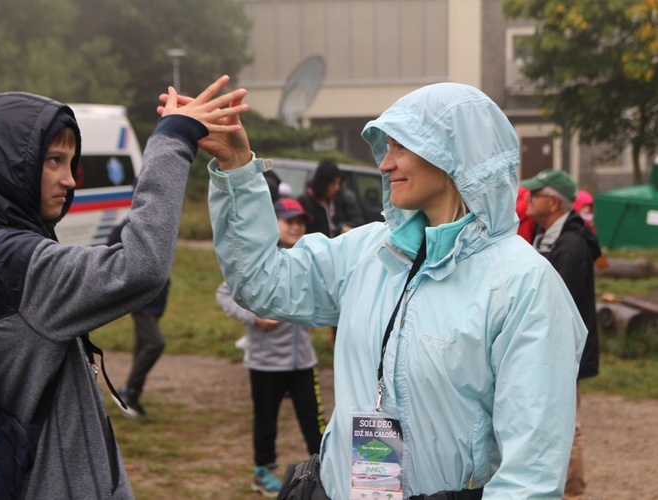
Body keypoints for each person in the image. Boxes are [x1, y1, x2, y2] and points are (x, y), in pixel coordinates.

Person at [196, 82, 586, 498]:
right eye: (386, 147)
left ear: (455, 155)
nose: (384, 164)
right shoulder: (368, 252)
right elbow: (261, 283)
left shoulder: (523, 286)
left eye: (401, 147)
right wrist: (238, 169)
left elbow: (531, 476)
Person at [0, 76, 247, 499]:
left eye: (71, 162)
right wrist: (172, 139)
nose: (71, 180)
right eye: (52, 160)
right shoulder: (9, 260)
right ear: (6, 165)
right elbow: (140, 266)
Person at [216, 197, 326, 498]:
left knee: (314, 420)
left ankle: (326, 472)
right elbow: (224, 294)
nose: (296, 226)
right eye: (289, 220)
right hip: (265, 362)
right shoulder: (260, 261)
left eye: (301, 221)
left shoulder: (309, 259)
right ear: (272, 223)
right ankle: (263, 472)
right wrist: (253, 318)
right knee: (266, 422)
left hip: (302, 360)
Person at [521, 169, 601, 500]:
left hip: (564, 349)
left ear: (553, 202)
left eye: (534, 195)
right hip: (550, 348)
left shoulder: (570, 244)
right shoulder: (546, 237)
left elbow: (558, 301)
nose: (527, 199)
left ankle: (572, 492)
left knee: (568, 425)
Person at [107, 219, 170, 419]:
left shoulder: (160, 225)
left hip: (156, 300)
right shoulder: (129, 225)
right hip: (141, 301)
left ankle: (133, 396)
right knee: (155, 344)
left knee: (141, 348)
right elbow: (109, 251)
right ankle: (127, 390)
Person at [297, 159, 343, 237]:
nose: (337, 188)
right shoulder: (304, 203)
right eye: (333, 183)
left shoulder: (336, 200)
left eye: (339, 183)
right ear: (323, 183)